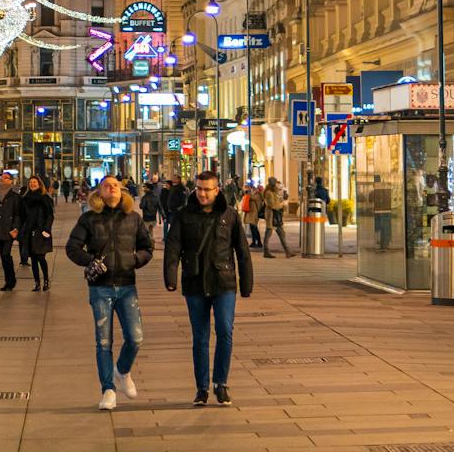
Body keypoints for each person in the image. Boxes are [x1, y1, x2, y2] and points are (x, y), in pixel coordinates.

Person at [165, 170, 254, 407]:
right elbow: (173, 248)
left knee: (225, 330)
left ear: (217, 190)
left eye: (207, 189)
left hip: (223, 282)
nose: (202, 194)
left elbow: (242, 251)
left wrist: (246, 283)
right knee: (200, 336)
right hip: (194, 282)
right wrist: (170, 278)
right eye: (199, 188)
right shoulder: (184, 215)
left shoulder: (230, 215)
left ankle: (221, 383)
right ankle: (202, 388)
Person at [65, 175, 152, 411]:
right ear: (99, 193)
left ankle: (122, 370)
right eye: (106, 186)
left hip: (127, 286)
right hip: (100, 288)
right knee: (103, 342)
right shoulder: (89, 219)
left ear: (121, 191)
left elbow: (147, 247)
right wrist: (90, 261)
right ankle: (108, 390)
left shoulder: (133, 218)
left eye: (115, 185)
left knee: (135, 338)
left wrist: (135, 260)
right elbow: (72, 247)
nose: (111, 188)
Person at [20, 175, 55, 290]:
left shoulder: (44, 198)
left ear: (39, 184)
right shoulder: (25, 198)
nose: (32, 184)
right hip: (29, 231)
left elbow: (50, 215)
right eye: (30, 182)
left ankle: (46, 281)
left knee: (40, 257)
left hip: (41, 231)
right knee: (33, 259)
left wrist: (46, 229)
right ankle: (37, 283)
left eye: (34, 182)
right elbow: (22, 216)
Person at [0, 172, 23, 290]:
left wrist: (15, 228)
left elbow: (18, 214)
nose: (2, 179)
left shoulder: (15, 196)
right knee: (3, 257)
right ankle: (8, 281)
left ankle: (11, 281)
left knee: (5, 254)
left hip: (9, 230)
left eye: (5, 178)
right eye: (1, 178)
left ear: (11, 181)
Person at [262, 180, 295, 258]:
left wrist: (283, 197)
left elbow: (277, 201)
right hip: (271, 216)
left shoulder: (273, 192)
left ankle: (288, 251)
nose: (277, 186)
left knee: (281, 233)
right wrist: (281, 204)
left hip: (275, 217)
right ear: (273, 184)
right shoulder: (269, 193)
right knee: (268, 233)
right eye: (276, 184)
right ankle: (266, 251)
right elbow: (272, 205)